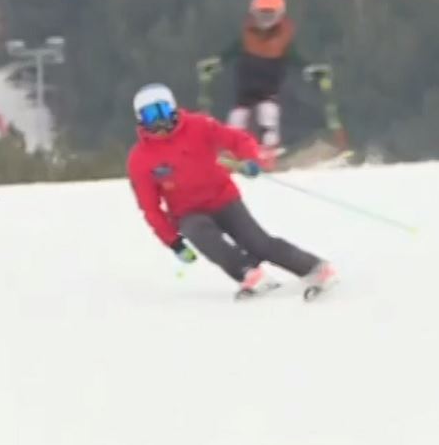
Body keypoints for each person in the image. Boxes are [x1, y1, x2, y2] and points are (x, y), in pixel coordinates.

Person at [126, 83, 336, 300]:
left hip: (223, 199)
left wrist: (250, 159)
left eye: (162, 110)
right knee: (199, 231)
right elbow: (150, 207)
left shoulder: (199, 125)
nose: (159, 120)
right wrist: (173, 242)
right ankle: (249, 274)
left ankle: (316, 269)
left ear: (172, 108)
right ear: (141, 119)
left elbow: (237, 139)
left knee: (258, 243)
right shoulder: (140, 159)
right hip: (188, 212)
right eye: (151, 115)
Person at [197, 0, 327, 154]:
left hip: (269, 86)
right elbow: (230, 52)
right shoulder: (248, 35)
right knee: (237, 117)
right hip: (246, 86)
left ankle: (269, 148)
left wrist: (309, 69)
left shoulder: (282, 37)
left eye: (270, 15)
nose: (265, 20)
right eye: (262, 15)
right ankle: (232, 149)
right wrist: (216, 63)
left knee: (268, 113)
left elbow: (295, 58)